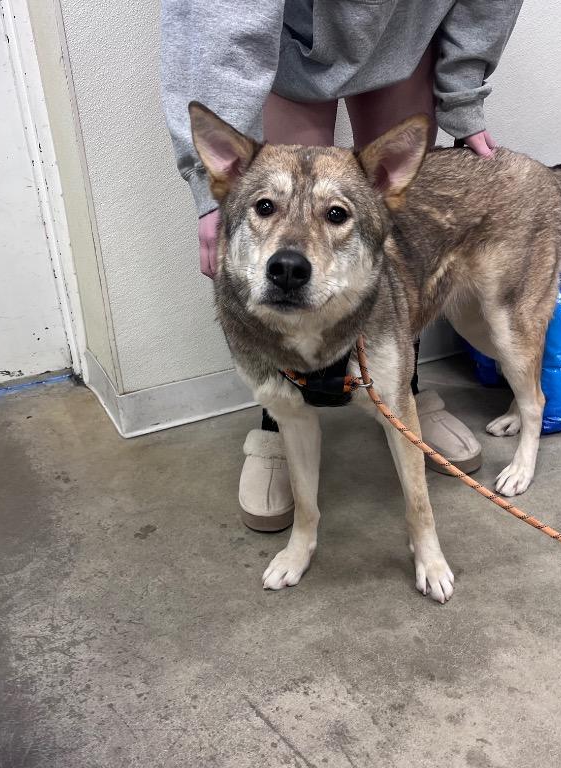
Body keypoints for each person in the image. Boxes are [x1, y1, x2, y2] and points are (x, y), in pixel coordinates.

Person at [161, 1, 523, 532]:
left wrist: (463, 92)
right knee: (290, 219)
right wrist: (215, 192)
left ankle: (402, 394)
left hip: (407, 30)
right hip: (288, 38)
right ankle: (279, 419)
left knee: (373, 236)